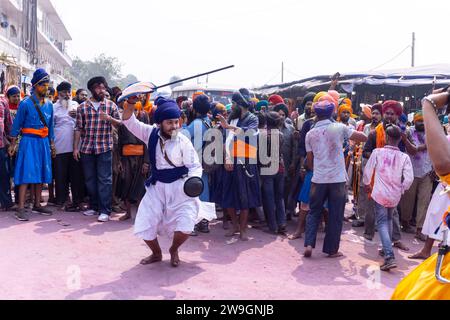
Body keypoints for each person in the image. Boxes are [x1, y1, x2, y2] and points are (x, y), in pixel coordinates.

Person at [121, 94, 204, 267]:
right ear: (159, 123)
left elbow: (195, 165)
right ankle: (157, 253)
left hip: (181, 189)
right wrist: (130, 102)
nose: (174, 126)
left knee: (186, 226)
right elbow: (129, 121)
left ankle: (174, 249)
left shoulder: (183, 141)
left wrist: (194, 182)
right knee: (145, 224)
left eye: (176, 122)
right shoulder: (150, 133)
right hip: (157, 188)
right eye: (170, 123)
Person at [392, 88, 450, 300]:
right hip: (425, 178)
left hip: (429, 175)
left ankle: (419, 234)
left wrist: (429, 103)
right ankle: (422, 241)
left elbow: (441, 162)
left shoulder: (437, 136)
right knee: (434, 216)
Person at [303, 94, 367, 258]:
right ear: (332, 113)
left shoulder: (310, 134)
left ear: (316, 114)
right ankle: (331, 250)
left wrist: (316, 170)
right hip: (337, 178)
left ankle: (309, 244)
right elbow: (363, 137)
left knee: (313, 211)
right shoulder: (339, 127)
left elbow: (309, 160)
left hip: (319, 178)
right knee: (336, 214)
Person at [362, 100, 411, 251]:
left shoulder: (401, 133)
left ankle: (394, 241)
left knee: (391, 214)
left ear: (397, 115)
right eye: (387, 113)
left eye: (392, 114)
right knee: (373, 208)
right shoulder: (374, 133)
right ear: (384, 114)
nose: (389, 116)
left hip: (393, 179)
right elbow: (365, 152)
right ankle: (369, 234)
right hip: (376, 176)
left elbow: (404, 153)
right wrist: (381, 158)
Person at [363, 125, 414, 271]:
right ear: (399, 139)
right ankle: (386, 248)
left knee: (382, 223)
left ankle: (389, 256)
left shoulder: (377, 152)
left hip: (380, 193)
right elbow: (409, 178)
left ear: (386, 137)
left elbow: (368, 171)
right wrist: (402, 188)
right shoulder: (404, 157)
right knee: (389, 219)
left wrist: (367, 184)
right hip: (395, 195)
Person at [8, 68, 55, 221]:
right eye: (42, 84)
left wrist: (52, 144)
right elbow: (16, 125)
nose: (45, 87)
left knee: (41, 173)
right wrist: (13, 144)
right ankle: (20, 208)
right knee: (25, 173)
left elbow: (51, 127)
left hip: (43, 143)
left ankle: (37, 204)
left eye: (47, 84)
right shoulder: (25, 104)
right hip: (28, 142)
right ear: (34, 85)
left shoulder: (49, 105)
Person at [73, 77, 121, 222]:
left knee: (105, 179)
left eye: (103, 87)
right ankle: (94, 207)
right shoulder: (82, 107)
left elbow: (120, 124)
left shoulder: (111, 106)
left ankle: (105, 210)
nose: (102, 90)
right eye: (98, 88)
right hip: (87, 148)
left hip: (105, 147)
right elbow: (78, 129)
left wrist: (109, 119)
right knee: (89, 179)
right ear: (92, 89)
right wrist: (75, 148)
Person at [217, 88, 261, 241]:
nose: (232, 105)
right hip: (230, 162)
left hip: (245, 162)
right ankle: (235, 225)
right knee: (227, 196)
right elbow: (224, 141)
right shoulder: (231, 118)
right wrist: (226, 159)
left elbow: (247, 134)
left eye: (234, 103)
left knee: (245, 197)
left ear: (240, 104)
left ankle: (243, 229)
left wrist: (228, 127)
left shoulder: (253, 119)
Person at [399, 111, 433, 241]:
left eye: (425, 121)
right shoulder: (407, 132)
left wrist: (435, 169)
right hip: (411, 171)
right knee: (408, 200)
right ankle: (406, 224)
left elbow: (436, 150)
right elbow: (412, 150)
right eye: (420, 121)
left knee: (424, 202)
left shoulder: (432, 133)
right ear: (414, 121)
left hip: (427, 172)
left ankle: (420, 230)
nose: (422, 123)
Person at [53, 81, 85, 211]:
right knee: (61, 176)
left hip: (75, 147)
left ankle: (77, 200)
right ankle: (62, 200)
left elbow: (82, 122)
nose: (67, 95)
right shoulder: (53, 107)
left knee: (76, 175)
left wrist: (77, 114)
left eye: (68, 92)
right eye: (64, 92)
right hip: (60, 146)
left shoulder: (76, 105)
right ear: (58, 94)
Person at [184, 94, 212, 234]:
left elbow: (181, 136)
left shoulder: (196, 124)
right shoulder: (210, 122)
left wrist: (183, 123)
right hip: (207, 163)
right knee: (205, 191)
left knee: (193, 193)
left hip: (195, 164)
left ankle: (193, 224)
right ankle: (204, 223)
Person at [117, 101, 150, 221]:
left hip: (140, 159)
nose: (133, 113)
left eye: (136, 110)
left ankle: (141, 215)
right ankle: (128, 213)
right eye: (131, 110)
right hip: (126, 159)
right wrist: (120, 160)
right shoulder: (122, 125)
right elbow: (119, 143)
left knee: (140, 187)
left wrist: (146, 162)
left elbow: (147, 144)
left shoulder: (144, 126)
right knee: (126, 184)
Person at [259, 111, 286, 234]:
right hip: (280, 167)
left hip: (267, 168)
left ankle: (272, 226)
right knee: (279, 198)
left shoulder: (263, 135)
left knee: (269, 198)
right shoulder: (280, 134)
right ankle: (282, 223)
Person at [273, 103, 295, 220]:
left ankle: (285, 212)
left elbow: (294, 148)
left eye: (283, 115)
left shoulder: (291, 129)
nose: (281, 117)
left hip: (286, 164)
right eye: (279, 114)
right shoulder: (270, 128)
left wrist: (292, 163)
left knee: (285, 191)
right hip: (272, 165)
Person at [0, 88, 14, 210]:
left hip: (1, 145)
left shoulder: (3, 102)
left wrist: (12, 142)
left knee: (4, 175)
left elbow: (8, 123)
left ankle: (6, 203)